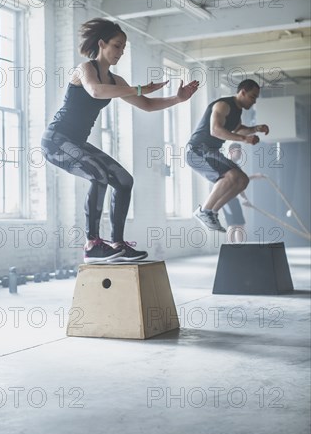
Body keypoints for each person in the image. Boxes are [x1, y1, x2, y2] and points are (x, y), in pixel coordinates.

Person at [42, 18, 199, 263]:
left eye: (123, 48)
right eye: (117, 46)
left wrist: (177, 99)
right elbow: (95, 91)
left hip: (77, 143)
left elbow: (146, 105)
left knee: (125, 181)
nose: (120, 52)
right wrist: (138, 89)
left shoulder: (117, 81)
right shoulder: (86, 69)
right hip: (56, 140)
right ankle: (92, 244)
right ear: (102, 44)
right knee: (98, 175)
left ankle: (118, 244)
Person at [186, 79, 269, 232]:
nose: (254, 101)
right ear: (242, 92)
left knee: (242, 180)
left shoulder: (237, 112)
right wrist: (245, 139)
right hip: (197, 150)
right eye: (252, 97)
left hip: (211, 151)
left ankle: (212, 211)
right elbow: (215, 130)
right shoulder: (223, 105)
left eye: (256, 98)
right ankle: (204, 210)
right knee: (231, 176)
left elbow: (238, 129)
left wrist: (255, 128)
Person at [222, 142, 266, 242]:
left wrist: (244, 198)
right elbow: (236, 181)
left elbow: (240, 184)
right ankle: (231, 248)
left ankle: (240, 247)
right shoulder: (226, 165)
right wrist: (254, 176)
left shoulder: (236, 166)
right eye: (238, 151)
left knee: (240, 224)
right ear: (231, 151)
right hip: (226, 200)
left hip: (234, 199)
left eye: (241, 151)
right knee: (232, 224)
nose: (240, 154)